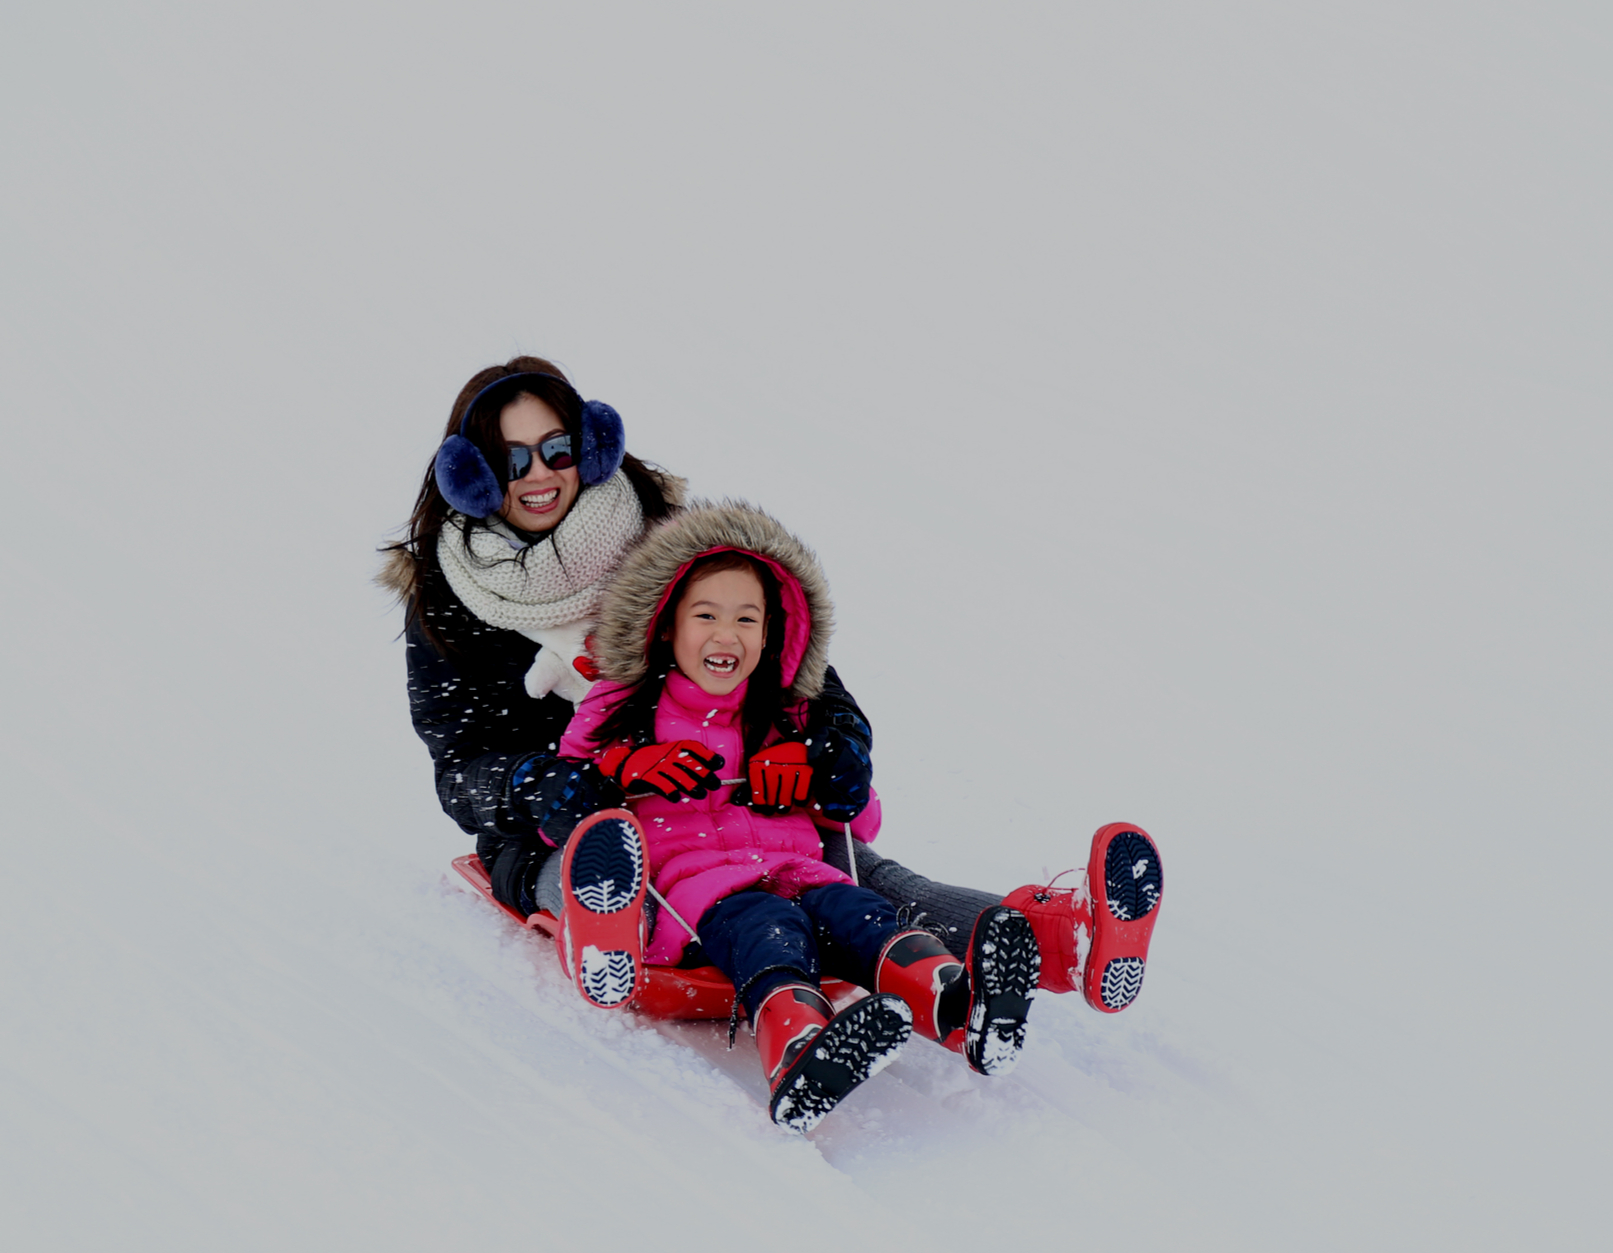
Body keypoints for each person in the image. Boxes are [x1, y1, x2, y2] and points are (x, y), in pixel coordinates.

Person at [379, 357, 1164, 1021]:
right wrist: (547, 783)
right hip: (568, 821)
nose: (541, 475)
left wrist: (824, 742)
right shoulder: (452, 601)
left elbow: (797, 665)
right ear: (475, 478)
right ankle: (609, 929)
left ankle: (1064, 935)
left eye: (555, 449)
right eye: (513, 461)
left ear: (589, 446)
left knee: (863, 877)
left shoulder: (668, 545)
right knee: (599, 861)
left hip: (728, 798)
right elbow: (461, 764)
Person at [552, 508, 1042, 1129]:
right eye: (706, 615)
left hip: (800, 868)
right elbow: (566, 800)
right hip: (701, 892)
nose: (725, 634)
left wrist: (818, 771)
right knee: (770, 930)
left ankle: (955, 1003)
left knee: (861, 916)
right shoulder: (622, 705)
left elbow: (859, 824)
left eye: (745, 619)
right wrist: (627, 767)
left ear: (769, 635)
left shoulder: (790, 713)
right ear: (667, 626)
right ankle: (799, 1049)